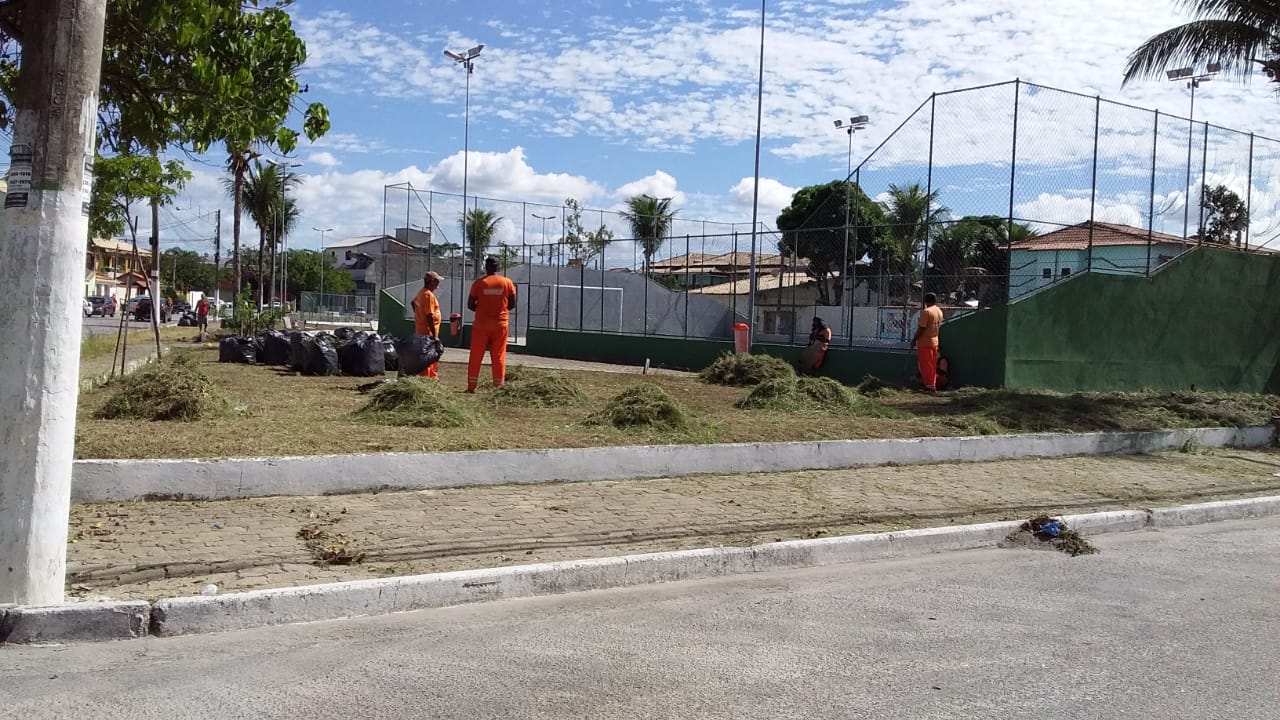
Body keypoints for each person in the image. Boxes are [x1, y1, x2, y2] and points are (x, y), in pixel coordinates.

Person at [466, 256, 517, 392]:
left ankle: (471, 386)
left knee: (476, 355)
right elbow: (512, 304)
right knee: (499, 355)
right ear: (498, 267)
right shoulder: (507, 283)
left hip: (481, 325)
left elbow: (470, 305)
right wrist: (499, 310)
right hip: (500, 325)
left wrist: (483, 309)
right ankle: (498, 386)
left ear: (486, 267)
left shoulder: (478, 283)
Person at [410, 271, 443, 380]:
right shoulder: (428, 296)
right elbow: (430, 316)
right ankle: (428, 378)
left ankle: (429, 377)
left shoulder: (421, 292)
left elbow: (413, 303)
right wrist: (435, 336)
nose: (438, 284)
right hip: (428, 333)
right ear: (432, 282)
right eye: (437, 281)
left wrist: (419, 316)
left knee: (424, 356)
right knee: (429, 357)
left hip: (421, 331)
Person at [910, 292, 944, 391]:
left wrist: (914, 340)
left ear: (926, 301)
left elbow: (921, 328)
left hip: (925, 342)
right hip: (935, 341)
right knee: (932, 364)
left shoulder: (927, 312)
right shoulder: (939, 311)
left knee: (925, 365)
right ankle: (932, 384)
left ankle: (929, 386)